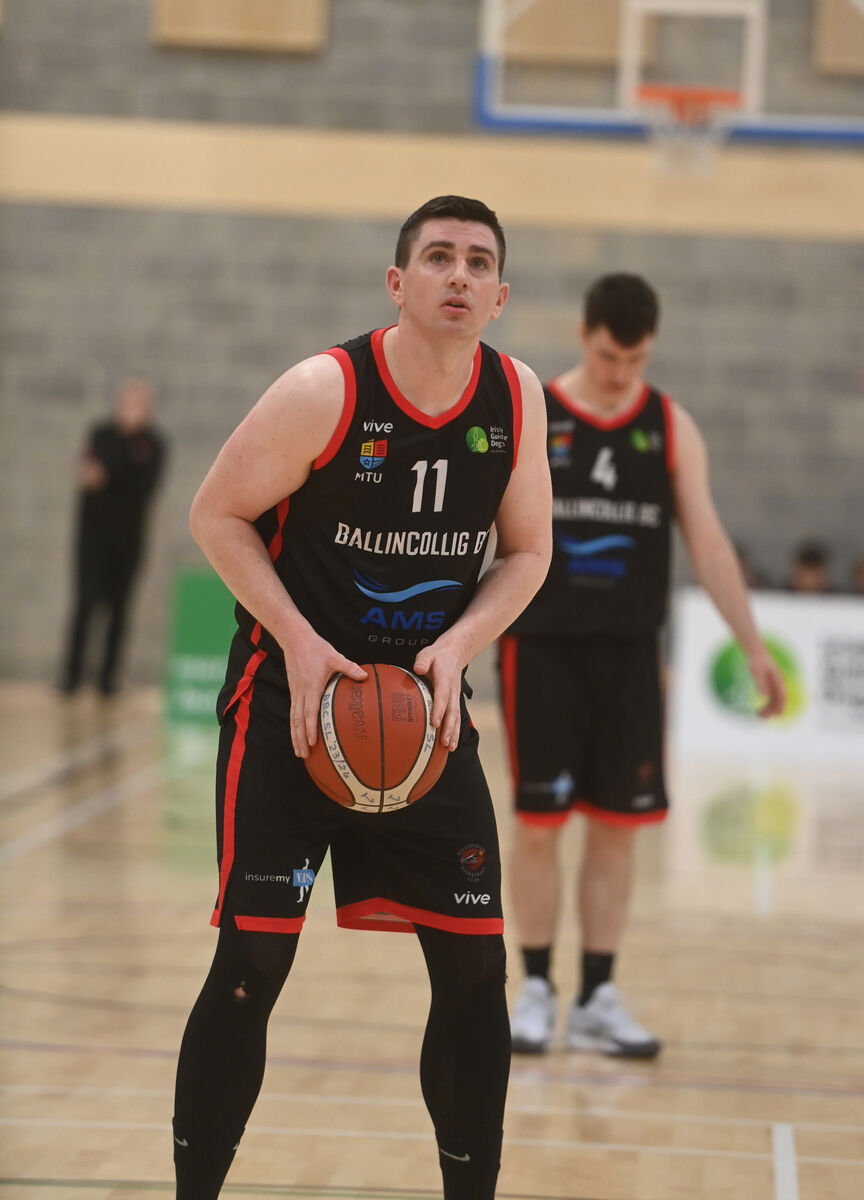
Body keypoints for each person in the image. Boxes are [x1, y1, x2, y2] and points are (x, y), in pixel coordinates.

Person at [172, 196, 552, 1200]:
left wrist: (460, 645)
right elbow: (217, 515)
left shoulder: (515, 399)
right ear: (398, 283)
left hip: (421, 721)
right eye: (438, 258)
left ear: (501, 295)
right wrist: (296, 640)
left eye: (479, 262)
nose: (459, 276)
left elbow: (528, 551)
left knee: (475, 975)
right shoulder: (323, 389)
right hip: (294, 711)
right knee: (252, 962)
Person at [498, 273, 786, 1058]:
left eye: (635, 358)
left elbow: (711, 544)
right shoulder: (537, 415)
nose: (621, 371)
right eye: (607, 355)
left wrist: (753, 647)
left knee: (618, 833)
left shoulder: (669, 426)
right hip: (542, 649)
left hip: (629, 657)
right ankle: (532, 987)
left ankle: (595, 994)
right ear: (584, 335)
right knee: (537, 827)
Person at [59, 377, 166, 696]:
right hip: (93, 537)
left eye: (139, 404)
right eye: (128, 402)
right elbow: (90, 479)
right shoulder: (101, 434)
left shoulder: (154, 445)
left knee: (120, 609)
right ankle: (71, 679)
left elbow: (143, 488)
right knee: (85, 603)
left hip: (129, 539)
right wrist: (120, 462)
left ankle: (108, 682)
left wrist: (112, 473)